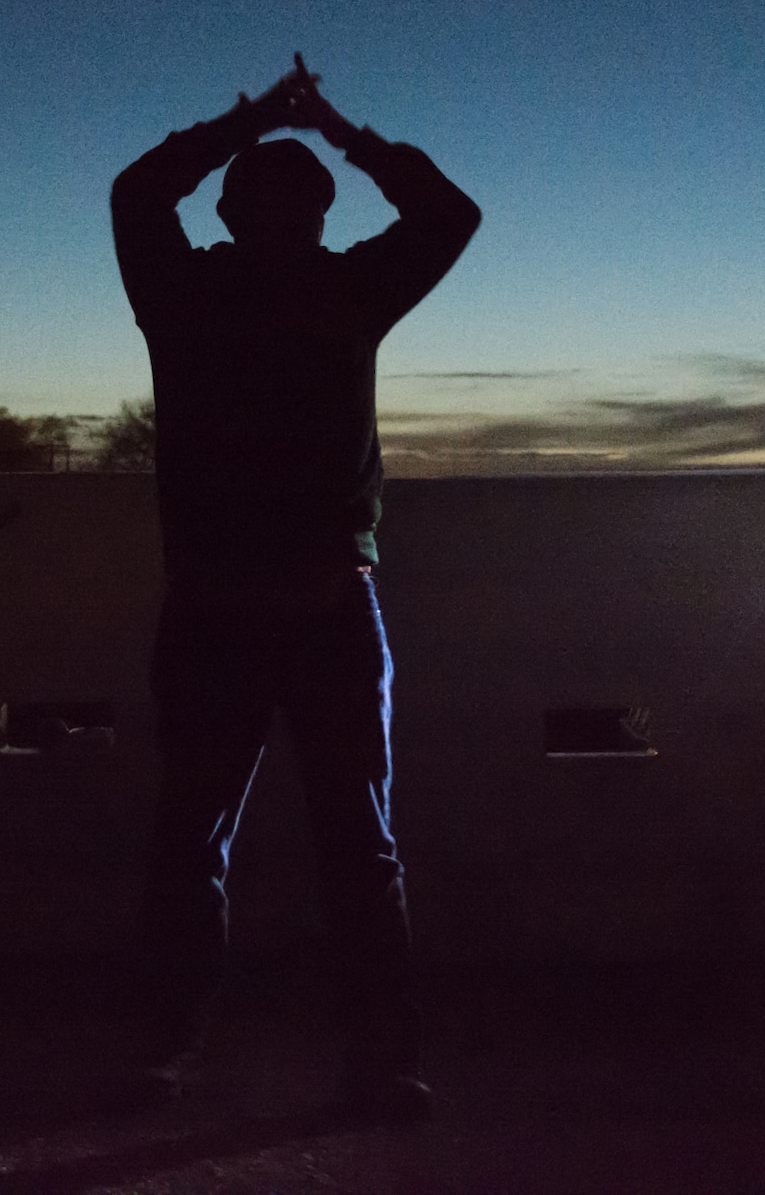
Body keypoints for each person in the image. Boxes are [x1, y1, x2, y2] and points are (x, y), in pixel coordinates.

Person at [111, 58, 480, 1121]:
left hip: (251, 603)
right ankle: (376, 1061)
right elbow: (446, 211)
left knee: (206, 837)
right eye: (284, 198)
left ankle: (170, 1052)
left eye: (292, 199)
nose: (286, 216)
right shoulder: (343, 288)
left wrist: (257, 123)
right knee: (344, 844)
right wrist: (329, 130)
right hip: (307, 602)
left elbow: (138, 193)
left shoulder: (183, 294)